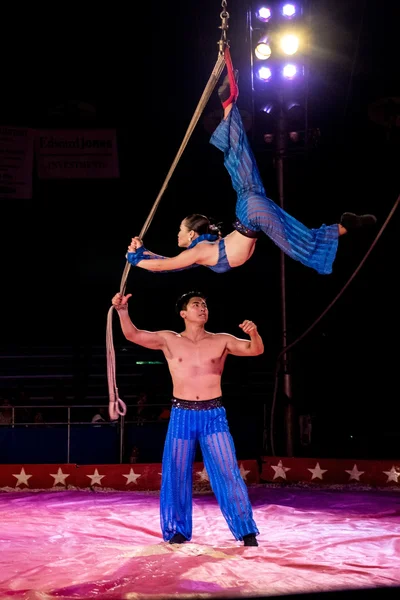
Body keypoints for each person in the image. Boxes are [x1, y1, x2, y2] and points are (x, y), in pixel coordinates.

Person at [125, 71, 376, 276]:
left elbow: (164, 265)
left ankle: (343, 227)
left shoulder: (198, 252)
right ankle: (228, 106)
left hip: (252, 213)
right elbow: (164, 265)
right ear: (193, 233)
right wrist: (141, 254)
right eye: (180, 230)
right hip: (247, 205)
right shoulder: (199, 252)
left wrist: (137, 258)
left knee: (297, 243)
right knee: (239, 159)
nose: (177, 234)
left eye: (180, 230)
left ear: (192, 235)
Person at [111, 289, 263, 547]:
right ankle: (178, 529)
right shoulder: (169, 340)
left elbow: (255, 350)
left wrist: (253, 333)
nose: (202, 308)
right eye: (196, 304)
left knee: (228, 472)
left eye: (204, 304)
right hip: (182, 414)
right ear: (183, 313)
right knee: (177, 473)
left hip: (213, 415)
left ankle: (246, 530)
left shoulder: (221, 340)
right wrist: (122, 311)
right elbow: (132, 335)